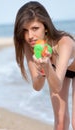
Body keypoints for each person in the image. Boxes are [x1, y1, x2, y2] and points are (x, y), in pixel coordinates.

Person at [14, 1, 75, 130]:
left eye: (35, 28)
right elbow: (37, 86)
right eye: (25, 30)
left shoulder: (64, 42)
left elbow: (57, 86)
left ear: (46, 27)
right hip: (57, 73)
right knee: (60, 123)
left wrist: (47, 66)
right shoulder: (29, 45)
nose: (30, 36)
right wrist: (42, 70)